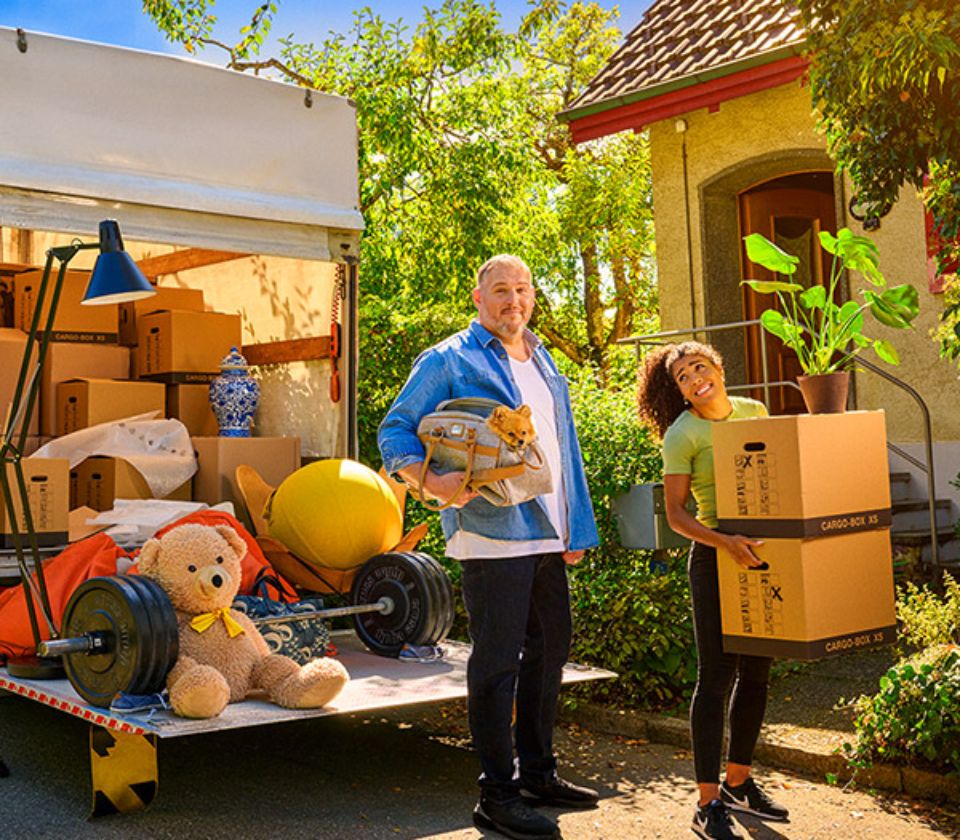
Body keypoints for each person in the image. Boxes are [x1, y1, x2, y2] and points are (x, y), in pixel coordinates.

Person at [378, 254, 600, 840]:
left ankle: (538, 776)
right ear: (479, 300)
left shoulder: (545, 359)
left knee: (550, 653)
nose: (514, 301)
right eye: (501, 291)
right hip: (491, 532)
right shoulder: (449, 358)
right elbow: (394, 429)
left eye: (522, 290)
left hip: (549, 531)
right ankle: (496, 794)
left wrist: (576, 526)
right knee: (498, 663)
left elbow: (562, 446)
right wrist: (428, 481)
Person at [636, 341, 790, 840]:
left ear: (719, 368)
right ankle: (707, 801)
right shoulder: (682, 434)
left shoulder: (755, 411)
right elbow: (678, 514)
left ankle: (739, 783)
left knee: (758, 672)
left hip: (762, 552)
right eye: (683, 376)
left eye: (699, 366)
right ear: (679, 391)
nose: (694, 378)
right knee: (717, 675)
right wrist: (725, 541)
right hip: (714, 555)